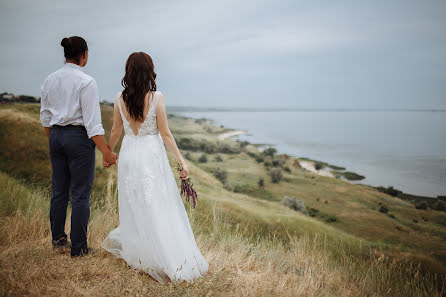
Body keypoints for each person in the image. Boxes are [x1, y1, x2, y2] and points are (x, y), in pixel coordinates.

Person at [102, 52, 209, 284]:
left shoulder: (119, 98)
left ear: (128, 71)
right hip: (151, 156)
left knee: (134, 203)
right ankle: (162, 253)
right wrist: (182, 161)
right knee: (158, 204)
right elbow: (166, 134)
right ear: (149, 71)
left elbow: (115, 131)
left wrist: (109, 153)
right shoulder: (157, 97)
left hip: (130, 155)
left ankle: (141, 252)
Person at [40, 36, 117, 257]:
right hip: (78, 138)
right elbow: (93, 124)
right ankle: (79, 248)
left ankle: (58, 240)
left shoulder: (49, 79)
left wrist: (54, 140)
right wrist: (107, 152)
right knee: (81, 194)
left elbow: (45, 117)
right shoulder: (87, 82)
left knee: (59, 192)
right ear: (83, 54)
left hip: (56, 136)